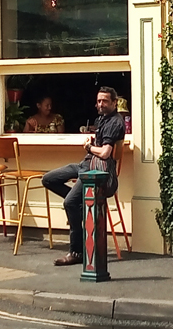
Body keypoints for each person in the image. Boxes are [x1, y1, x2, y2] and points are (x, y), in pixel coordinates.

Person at [42, 87, 125, 266]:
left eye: (105, 101)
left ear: (114, 103)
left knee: (69, 203)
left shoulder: (114, 122)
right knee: (48, 179)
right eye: (99, 101)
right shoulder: (102, 119)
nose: (101, 104)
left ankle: (77, 252)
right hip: (85, 165)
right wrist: (92, 142)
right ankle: (80, 204)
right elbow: (101, 146)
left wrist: (88, 147)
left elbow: (105, 153)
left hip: (95, 171)